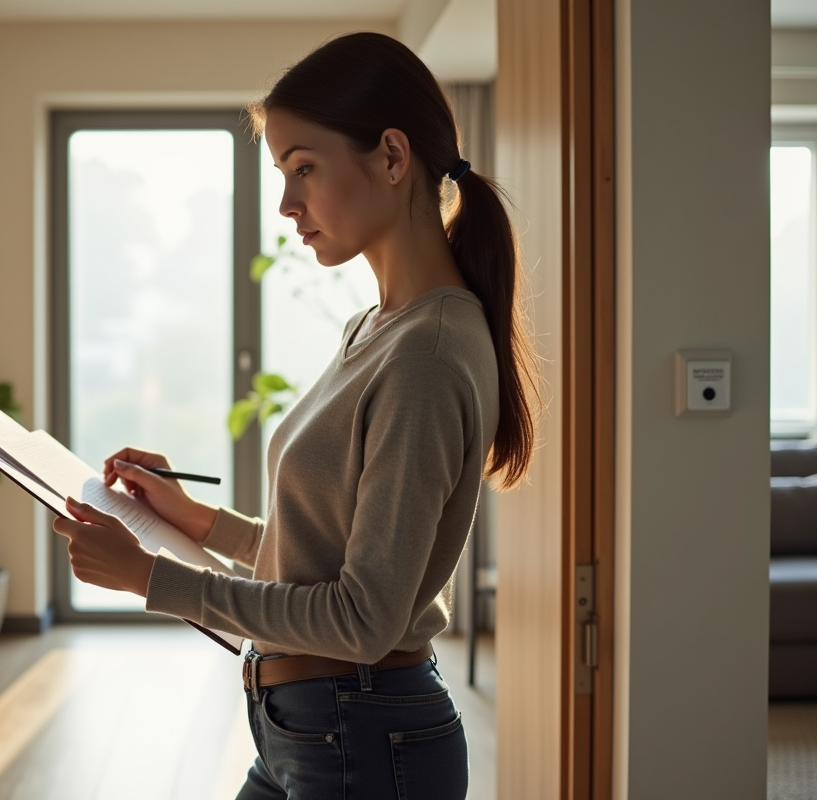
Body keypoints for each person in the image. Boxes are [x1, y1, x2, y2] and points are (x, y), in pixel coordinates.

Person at [52, 30, 537, 800]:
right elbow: (326, 559)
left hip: (364, 737)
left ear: (390, 156)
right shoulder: (377, 330)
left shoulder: (427, 356)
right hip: (308, 727)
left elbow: (363, 617)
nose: (286, 204)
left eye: (304, 168)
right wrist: (200, 520)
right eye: (282, 173)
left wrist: (153, 577)